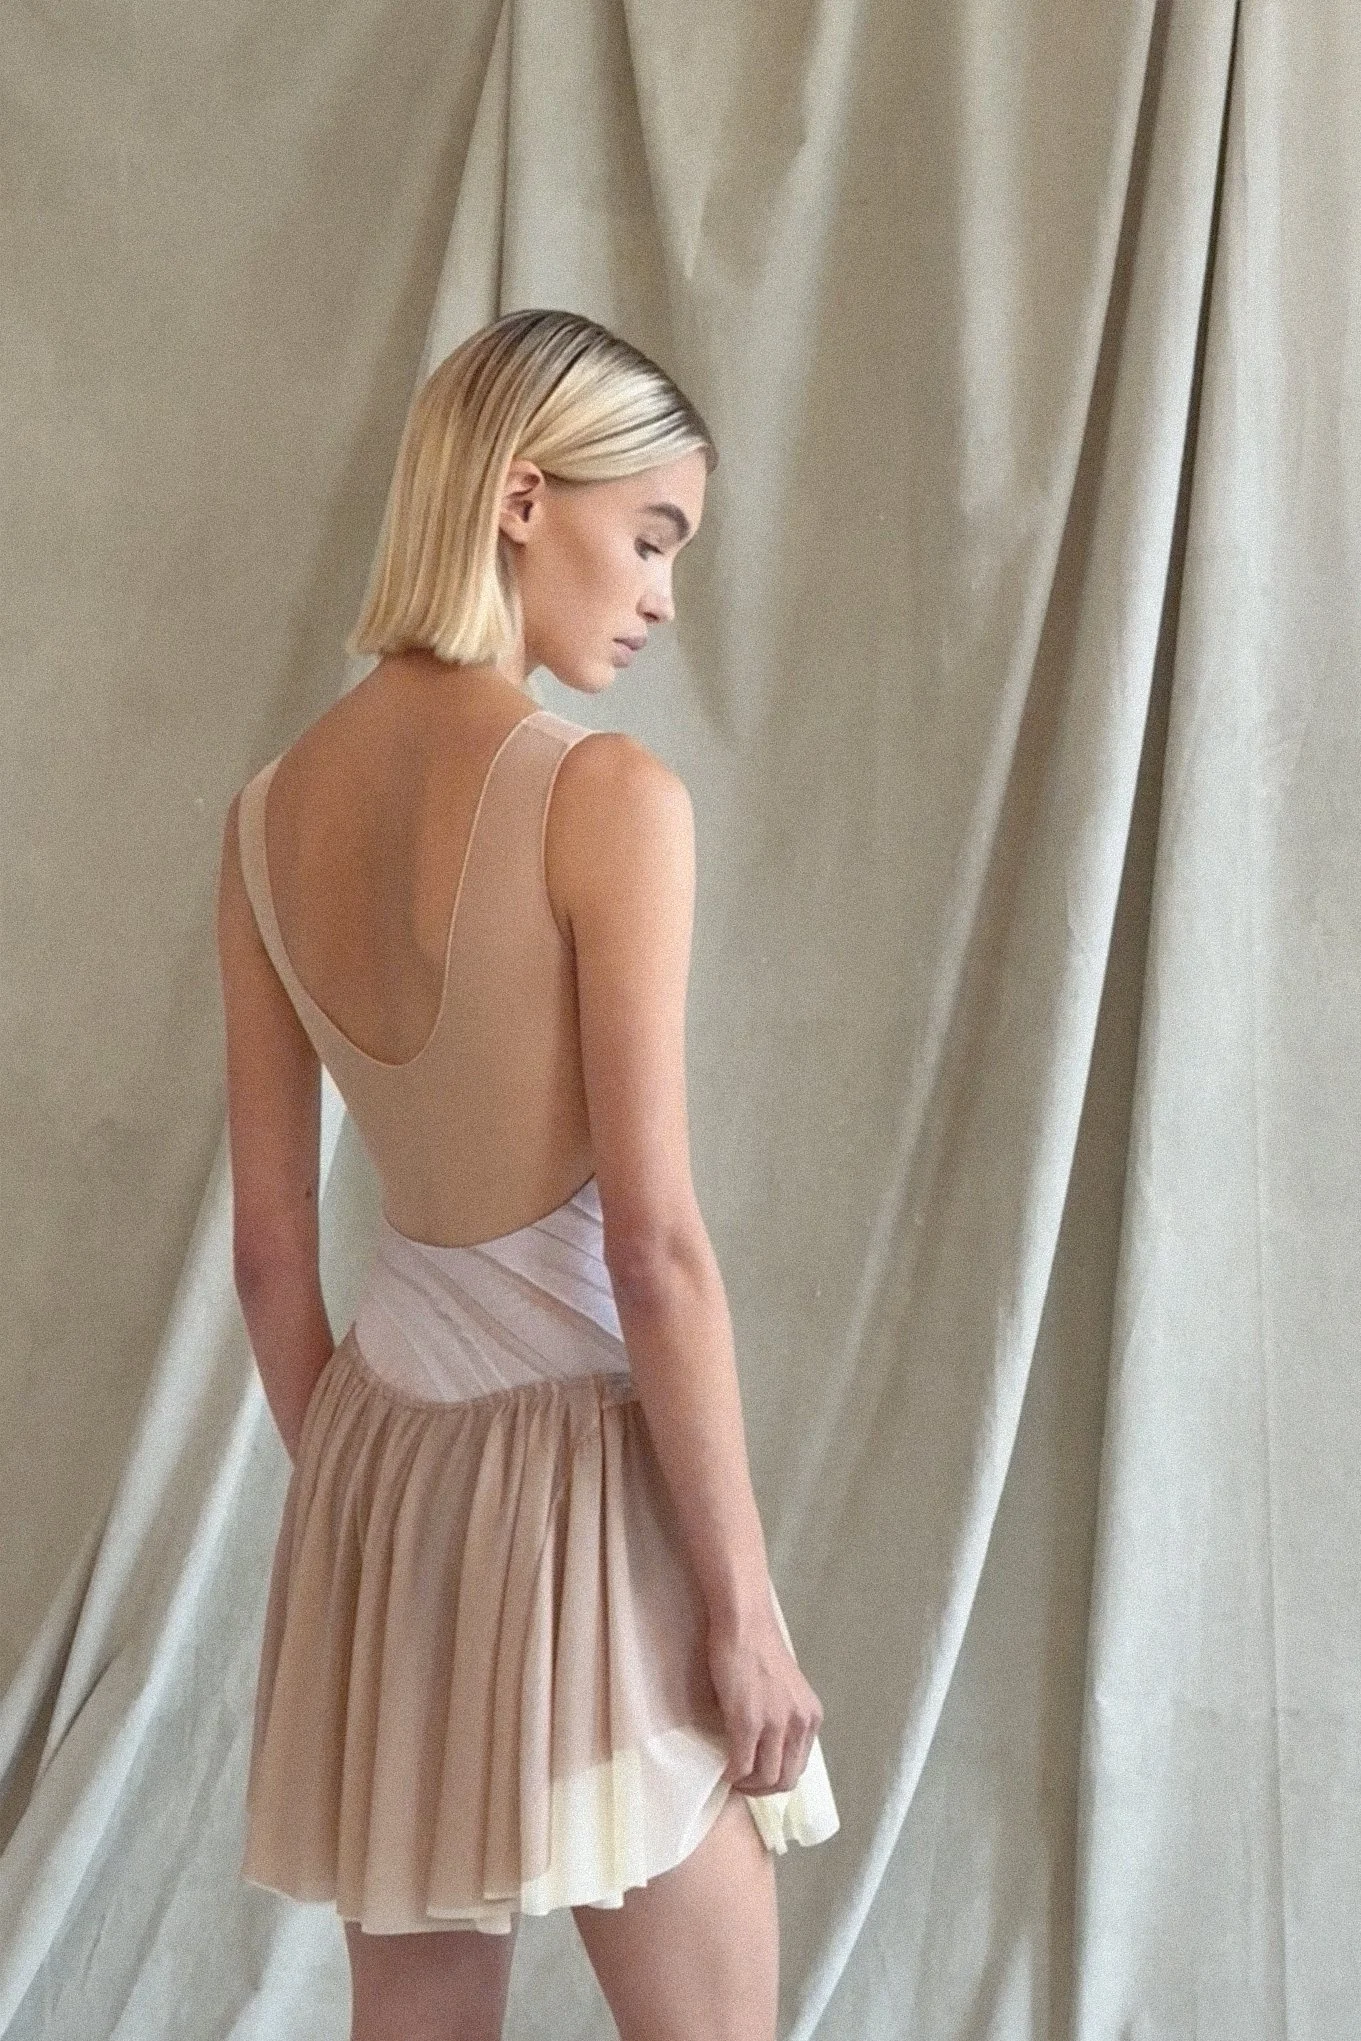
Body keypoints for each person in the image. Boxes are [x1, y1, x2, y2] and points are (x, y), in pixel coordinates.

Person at [215, 307, 839, 2041]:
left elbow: (274, 1255)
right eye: (649, 535)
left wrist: (365, 1506)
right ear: (516, 493)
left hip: (380, 1476)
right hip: (593, 1478)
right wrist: (745, 1615)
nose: (656, 594)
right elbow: (654, 1246)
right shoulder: (610, 797)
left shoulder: (267, 815)